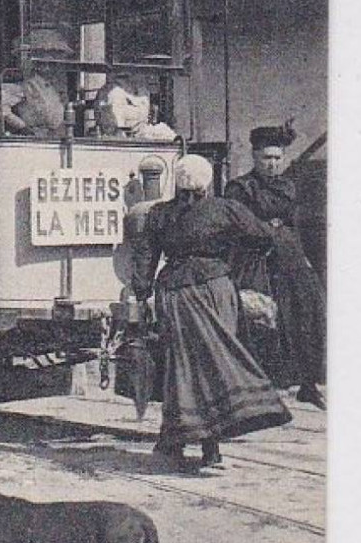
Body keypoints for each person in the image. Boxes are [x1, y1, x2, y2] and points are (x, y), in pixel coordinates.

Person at [132, 154, 292, 473]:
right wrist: (232, 258)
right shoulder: (224, 209)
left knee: (184, 367)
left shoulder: (160, 214)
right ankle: (208, 447)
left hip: (176, 294)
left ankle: (178, 440)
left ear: (175, 183)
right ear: (206, 185)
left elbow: (146, 256)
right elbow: (263, 237)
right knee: (218, 361)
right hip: (216, 289)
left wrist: (141, 293)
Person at [225, 124, 327, 409]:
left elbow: (293, 224)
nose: (272, 164)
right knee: (266, 321)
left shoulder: (288, 186)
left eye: (277, 158)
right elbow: (238, 224)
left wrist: (302, 254)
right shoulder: (240, 188)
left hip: (291, 259)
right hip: (258, 260)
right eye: (266, 158)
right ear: (255, 157)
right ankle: (265, 388)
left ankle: (308, 383)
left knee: (308, 314)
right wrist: (267, 228)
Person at [0, 26, 69, 137]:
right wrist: (22, 127)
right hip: (31, 140)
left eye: (52, 63)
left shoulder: (53, 87)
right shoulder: (25, 84)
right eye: (42, 62)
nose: (47, 67)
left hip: (54, 140)